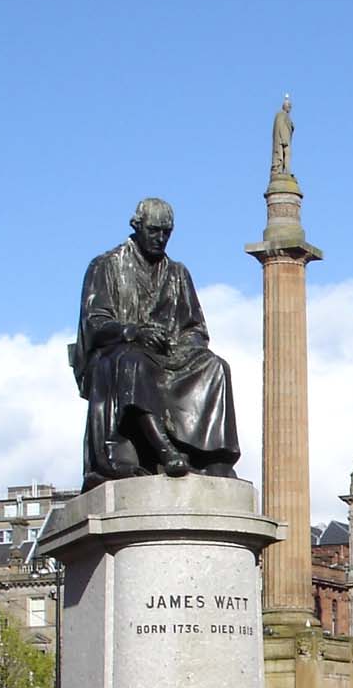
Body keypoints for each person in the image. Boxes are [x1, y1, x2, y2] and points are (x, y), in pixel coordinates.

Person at [72, 197, 241, 488]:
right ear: (137, 227)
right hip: (119, 353)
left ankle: (215, 458)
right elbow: (95, 323)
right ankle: (164, 449)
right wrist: (132, 331)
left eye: (166, 232)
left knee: (215, 366)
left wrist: (184, 346)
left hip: (168, 355)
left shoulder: (177, 274)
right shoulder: (106, 266)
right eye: (154, 231)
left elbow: (195, 328)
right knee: (133, 362)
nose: (160, 238)